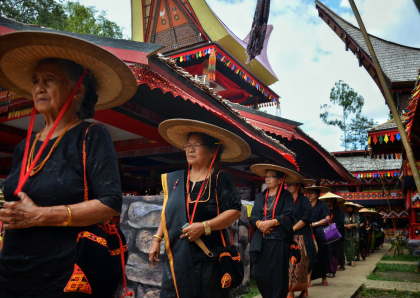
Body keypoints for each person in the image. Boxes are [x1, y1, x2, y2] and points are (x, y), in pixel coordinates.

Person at [0, 31, 137, 296]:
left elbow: (110, 203)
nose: (39, 87)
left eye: (49, 80)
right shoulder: (22, 148)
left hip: (65, 274)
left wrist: (40, 215)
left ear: (77, 90)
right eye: (36, 81)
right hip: (12, 271)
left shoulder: (91, 136)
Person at [149, 119, 250, 298]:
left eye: (196, 145)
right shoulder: (177, 180)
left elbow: (234, 211)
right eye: (187, 145)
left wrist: (204, 226)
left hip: (208, 260)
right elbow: (168, 212)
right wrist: (157, 239)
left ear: (212, 151)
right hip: (178, 256)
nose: (190, 149)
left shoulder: (219, 178)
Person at [250, 164, 298, 298]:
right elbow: (254, 216)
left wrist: (272, 222)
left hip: (278, 241)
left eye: (271, 176)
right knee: (258, 274)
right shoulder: (260, 197)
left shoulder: (286, 196)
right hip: (261, 241)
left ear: (279, 180)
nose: (267, 179)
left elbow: (289, 215)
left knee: (277, 275)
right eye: (266, 176)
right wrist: (260, 224)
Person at [286, 181, 317, 298]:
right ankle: (291, 291)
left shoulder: (304, 200)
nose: (288, 186)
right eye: (287, 185)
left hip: (302, 237)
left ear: (298, 186)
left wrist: (292, 229)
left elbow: (306, 218)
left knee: (300, 265)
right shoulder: (285, 200)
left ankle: (302, 289)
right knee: (289, 265)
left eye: (290, 184)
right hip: (287, 237)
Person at [305, 185, 331, 286]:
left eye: (312, 192)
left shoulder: (322, 204)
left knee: (322, 255)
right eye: (309, 192)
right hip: (308, 232)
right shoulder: (306, 204)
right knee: (310, 255)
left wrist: (315, 224)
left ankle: (324, 276)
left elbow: (327, 218)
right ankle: (308, 279)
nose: (309, 194)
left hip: (320, 233)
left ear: (317, 194)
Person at [320, 193, 344, 278]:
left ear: (333, 200)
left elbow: (341, 222)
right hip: (324, 233)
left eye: (328, 200)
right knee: (324, 252)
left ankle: (332, 270)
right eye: (325, 200)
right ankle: (324, 269)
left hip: (334, 235)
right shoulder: (323, 210)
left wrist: (333, 228)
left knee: (333, 252)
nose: (326, 202)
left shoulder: (338, 210)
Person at [343, 202, 360, 267]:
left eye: (351, 207)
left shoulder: (356, 215)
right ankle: (349, 260)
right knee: (347, 247)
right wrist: (346, 226)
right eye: (348, 207)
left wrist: (352, 225)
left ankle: (352, 260)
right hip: (346, 233)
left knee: (353, 246)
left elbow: (358, 223)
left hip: (354, 233)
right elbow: (341, 222)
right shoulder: (344, 215)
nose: (349, 208)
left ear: (353, 208)